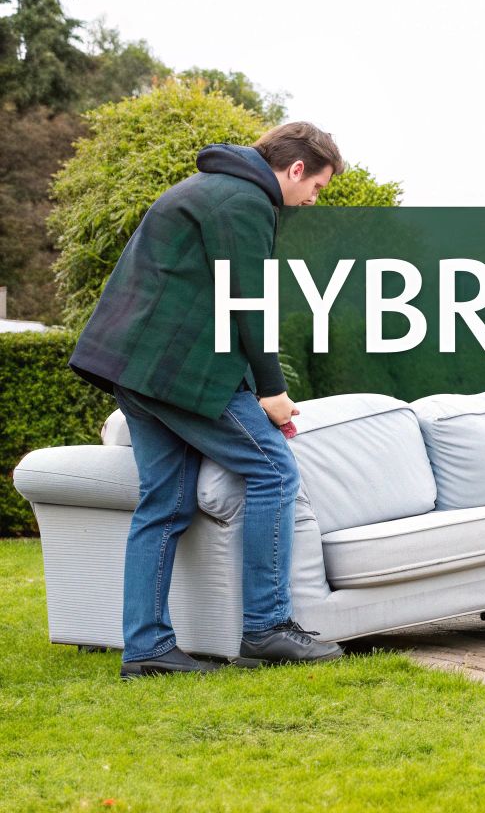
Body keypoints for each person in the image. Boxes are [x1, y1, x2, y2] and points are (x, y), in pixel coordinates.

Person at [70, 122, 349, 676]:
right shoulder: (245, 202)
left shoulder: (205, 189)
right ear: (296, 169)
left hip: (137, 369)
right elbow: (247, 303)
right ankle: (267, 628)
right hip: (178, 371)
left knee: (166, 501)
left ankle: (147, 648)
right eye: (316, 187)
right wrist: (272, 391)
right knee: (274, 469)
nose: (313, 200)